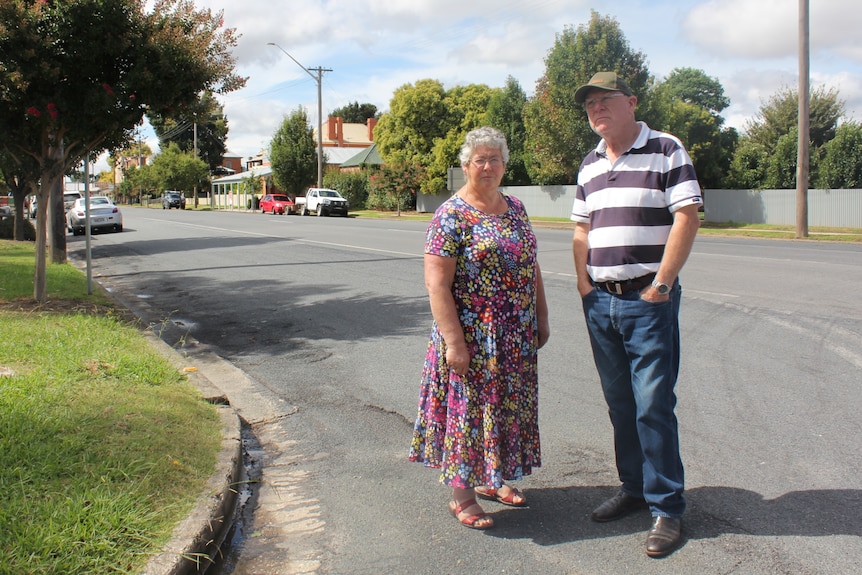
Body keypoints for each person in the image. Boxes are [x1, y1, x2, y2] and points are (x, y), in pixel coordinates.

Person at [570, 72, 702, 557]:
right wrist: (584, 284)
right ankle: (633, 488)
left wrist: (661, 286)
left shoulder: (667, 150)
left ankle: (667, 507)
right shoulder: (588, 165)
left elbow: (687, 217)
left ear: (631, 102)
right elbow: (581, 232)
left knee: (652, 403)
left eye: (605, 101)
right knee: (620, 403)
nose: (597, 111)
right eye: (590, 106)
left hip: (648, 300)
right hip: (601, 301)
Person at [409, 126, 550, 530]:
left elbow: (531, 264)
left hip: (514, 336)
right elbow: (436, 283)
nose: (488, 166)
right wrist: (454, 342)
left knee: (503, 410)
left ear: (504, 164)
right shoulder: (450, 215)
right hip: (472, 336)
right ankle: (462, 495)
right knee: (470, 414)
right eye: (479, 160)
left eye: (495, 159)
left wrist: (541, 315)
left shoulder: (516, 207)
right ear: (466, 166)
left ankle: (493, 480)